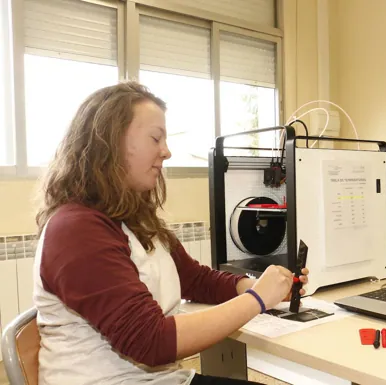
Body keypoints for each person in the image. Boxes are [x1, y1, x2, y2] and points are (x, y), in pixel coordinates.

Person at [33, 81, 309, 385]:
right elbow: (151, 342)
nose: (166, 151)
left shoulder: (131, 216)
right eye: (155, 138)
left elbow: (194, 279)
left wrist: (256, 285)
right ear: (110, 143)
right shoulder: (76, 230)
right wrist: (257, 298)